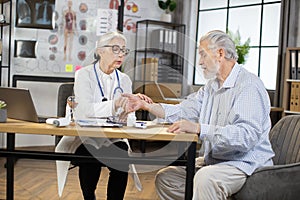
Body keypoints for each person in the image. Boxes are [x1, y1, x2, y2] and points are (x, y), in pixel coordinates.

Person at [124, 30, 275, 199]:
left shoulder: (248, 86)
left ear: (220, 53)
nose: (200, 62)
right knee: (166, 178)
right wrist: (147, 105)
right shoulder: (211, 87)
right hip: (216, 161)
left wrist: (199, 128)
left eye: (203, 55)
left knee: (205, 179)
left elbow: (246, 136)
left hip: (245, 163)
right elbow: (184, 110)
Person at [55, 31, 152, 200]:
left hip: (114, 137)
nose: (121, 54)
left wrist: (131, 110)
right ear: (100, 51)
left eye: (124, 50)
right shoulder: (84, 74)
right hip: (85, 136)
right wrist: (113, 105)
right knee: (90, 153)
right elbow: (84, 111)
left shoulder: (124, 80)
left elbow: (129, 118)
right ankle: (89, 197)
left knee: (121, 156)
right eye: (115, 49)